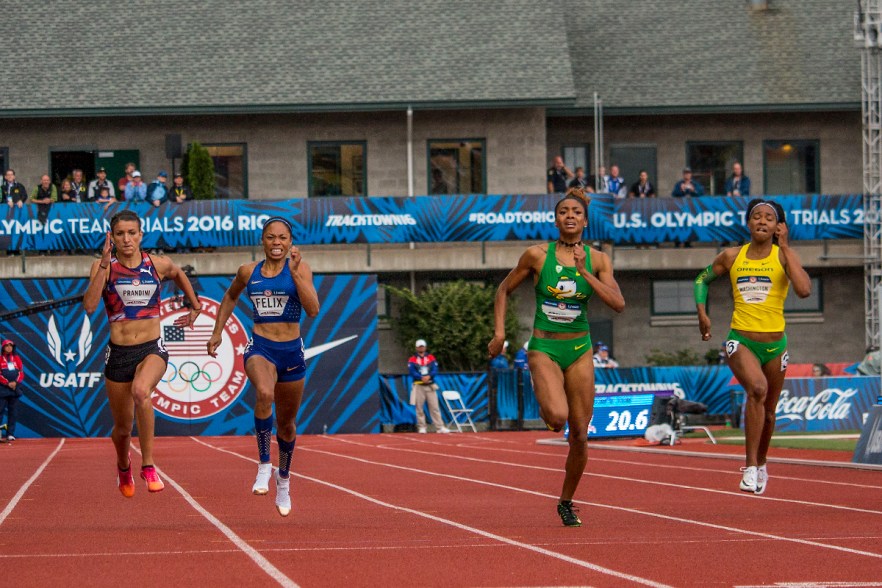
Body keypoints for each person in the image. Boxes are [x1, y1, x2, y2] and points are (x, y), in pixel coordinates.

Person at [489, 187, 625, 526]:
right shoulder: (537, 255)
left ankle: (566, 501)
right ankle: (545, 397)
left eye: (576, 212)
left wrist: (585, 272)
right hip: (545, 347)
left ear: (585, 221)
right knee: (558, 417)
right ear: (555, 219)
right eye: (564, 211)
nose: (570, 216)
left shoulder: (599, 260)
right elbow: (503, 289)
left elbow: (618, 304)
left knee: (579, 434)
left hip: (579, 350)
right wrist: (500, 333)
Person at [694, 198, 810, 495]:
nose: (761, 221)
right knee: (756, 389)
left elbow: (805, 290)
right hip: (741, 340)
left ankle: (761, 462)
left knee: (769, 411)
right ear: (748, 223)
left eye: (768, 218)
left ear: (778, 226)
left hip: (775, 345)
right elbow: (701, 279)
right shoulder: (732, 256)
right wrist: (702, 312)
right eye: (756, 216)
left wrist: (785, 247)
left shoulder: (785, 257)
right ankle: (748, 467)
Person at [82, 210, 202, 498]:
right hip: (119, 353)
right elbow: (88, 306)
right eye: (120, 234)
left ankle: (148, 465)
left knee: (141, 391)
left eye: (132, 233)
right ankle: (123, 465)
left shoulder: (156, 264)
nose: (127, 239)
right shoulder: (104, 267)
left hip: (152, 348)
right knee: (122, 430)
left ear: (140, 235)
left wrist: (195, 305)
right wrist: (102, 263)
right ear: (112, 236)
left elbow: (177, 271)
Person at [206, 217, 320, 517]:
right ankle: (263, 465)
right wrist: (218, 330)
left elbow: (312, 309)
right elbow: (230, 296)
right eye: (271, 237)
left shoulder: (300, 270)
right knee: (264, 394)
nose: (277, 243)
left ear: (291, 241)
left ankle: (283, 481)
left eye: (283, 238)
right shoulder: (249, 271)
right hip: (261, 347)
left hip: (292, 352)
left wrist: (295, 274)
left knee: (286, 425)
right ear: (263, 240)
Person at [408, 339, 451, 434]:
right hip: (419, 385)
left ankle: (439, 427)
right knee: (419, 407)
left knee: (434, 407)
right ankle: (422, 427)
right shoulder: (412, 359)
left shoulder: (431, 358)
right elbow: (412, 371)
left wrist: (429, 376)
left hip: (430, 385)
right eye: (419, 346)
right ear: (416, 348)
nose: (421, 348)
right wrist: (420, 377)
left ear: (425, 347)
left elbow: (435, 369)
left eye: (422, 346)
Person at [0, 339, 24, 443]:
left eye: (11, 346)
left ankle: (10, 434)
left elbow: (21, 372)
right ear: (3, 347)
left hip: (14, 389)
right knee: (0, 411)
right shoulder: (0, 359)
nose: (9, 348)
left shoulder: (17, 358)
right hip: (3, 389)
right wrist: (7, 383)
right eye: (7, 346)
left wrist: (15, 382)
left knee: (12, 412)